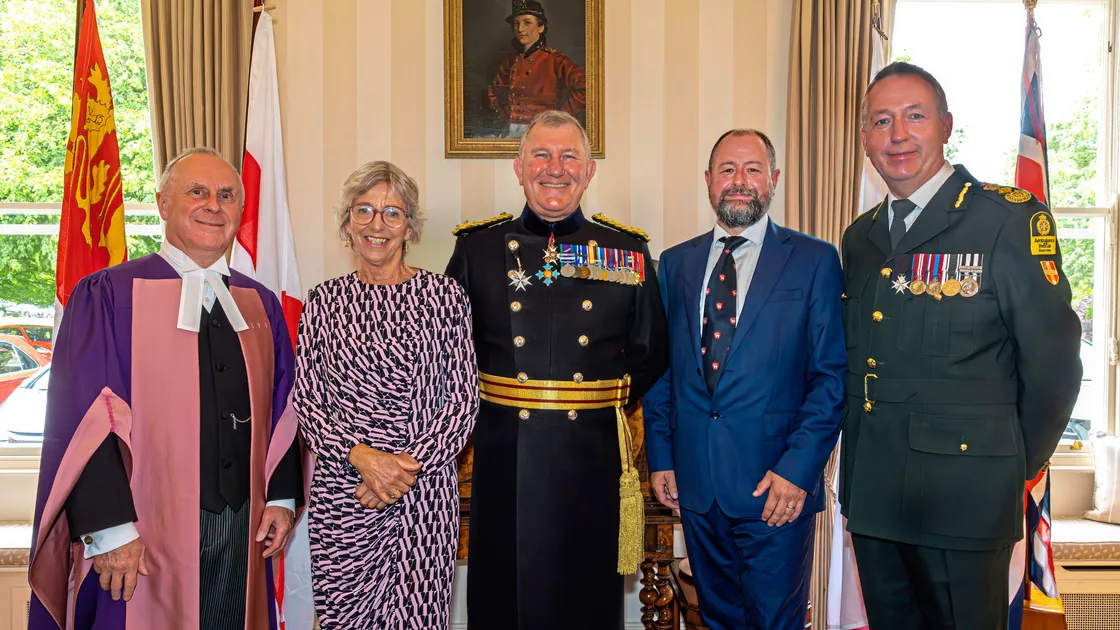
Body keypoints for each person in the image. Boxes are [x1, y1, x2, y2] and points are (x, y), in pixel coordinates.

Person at [840, 61, 1083, 629]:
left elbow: (1052, 366)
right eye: (881, 121)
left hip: (966, 498)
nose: (897, 134)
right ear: (865, 140)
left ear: (946, 126)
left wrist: (1010, 462)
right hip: (875, 495)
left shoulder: (1004, 221)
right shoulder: (861, 237)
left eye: (914, 117)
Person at [28, 148, 306, 630]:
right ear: (161, 203)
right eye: (197, 191)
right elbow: (85, 420)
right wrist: (110, 530)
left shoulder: (257, 301)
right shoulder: (109, 294)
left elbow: (287, 404)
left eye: (226, 195)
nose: (213, 205)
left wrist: (281, 499)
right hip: (141, 532)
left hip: (244, 526)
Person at [446, 110, 668, 630]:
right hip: (504, 456)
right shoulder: (476, 249)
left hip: (590, 457)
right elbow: (449, 352)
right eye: (541, 155)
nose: (555, 168)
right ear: (518, 169)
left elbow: (651, 350)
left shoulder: (626, 251)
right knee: (504, 597)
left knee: (585, 599)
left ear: (589, 172)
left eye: (569, 156)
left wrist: (599, 404)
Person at [642, 129, 846, 629]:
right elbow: (661, 371)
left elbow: (830, 378)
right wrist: (663, 456)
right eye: (728, 170)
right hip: (697, 484)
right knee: (718, 619)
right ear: (709, 182)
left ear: (773, 180)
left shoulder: (815, 261)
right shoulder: (674, 264)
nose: (739, 181)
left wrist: (797, 471)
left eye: (752, 169)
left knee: (776, 621)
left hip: (775, 487)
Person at [293, 160, 479, 629]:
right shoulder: (323, 301)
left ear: (410, 228)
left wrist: (398, 474)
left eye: (392, 213)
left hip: (423, 496)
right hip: (344, 493)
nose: (378, 225)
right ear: (347, 224)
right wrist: (365, 461)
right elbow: (309, 401)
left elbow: (461, 403)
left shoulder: (445, 296)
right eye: (364, 211)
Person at [487, 0, 586, 138]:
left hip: (544, 134)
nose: (520, 29)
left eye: (527, 22)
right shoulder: (510, 61)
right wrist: (503, 118)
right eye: (516, 23)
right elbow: (493, 91)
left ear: (541, 28)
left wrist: (559, 116)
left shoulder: (555, 60)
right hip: (510, 132)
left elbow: (587, 88)